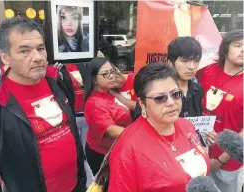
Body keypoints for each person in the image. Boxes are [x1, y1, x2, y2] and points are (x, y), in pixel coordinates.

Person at [0, 17, 86, 192]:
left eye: (41, 48)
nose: (38, 57)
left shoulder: (57, 81)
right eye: (25, 51)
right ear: (5, 57)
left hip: (75, 186)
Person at [108, 62, 210, 191]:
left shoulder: (187, 126)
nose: (171, 103)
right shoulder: (128, 148)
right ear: (142, 103)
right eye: (160, 98)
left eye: (175, 94)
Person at [196, 29, 243, 192]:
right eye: (238, 45)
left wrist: (221, 160)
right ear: (225, 48)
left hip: (226, 164)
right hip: (198, 155)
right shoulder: (208, 70)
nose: (243, 50)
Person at [84, 57, 133, 175]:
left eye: (112, 71)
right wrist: (138, 134)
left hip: (118, 148)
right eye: (105, 74)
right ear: (94, 79)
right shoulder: (94, 103)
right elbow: (111, 130)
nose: (111, 76)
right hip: (103, 155)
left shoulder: (110, 91)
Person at [134, 37, 203, 120]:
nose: (192, 67)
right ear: (170, 63)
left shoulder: (198, 90)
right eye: (185, 61)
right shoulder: (155, 91)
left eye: (196, 61)